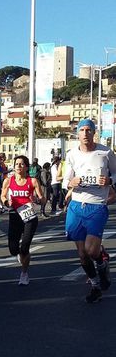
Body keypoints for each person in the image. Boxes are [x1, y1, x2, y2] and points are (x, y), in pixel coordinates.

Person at [62, 118, 116, 303]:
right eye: (82, 130)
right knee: (82, 254)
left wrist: (110, 181)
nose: (85, 133)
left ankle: (102, 262)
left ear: (94, 132)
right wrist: (71, 182)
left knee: (92, 251)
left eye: (89, 130)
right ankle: (95, 285)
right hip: (76, 206)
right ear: (77, 134)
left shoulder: (106, 152)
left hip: (97, 206)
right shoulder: (71, 155)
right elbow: (64, 180)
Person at [1, 154, 44, 286]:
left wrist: (36, 200)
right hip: (14, 215)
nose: (18, 166)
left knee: (25, 247)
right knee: (13, 249)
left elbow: (42, 199)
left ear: (26, 167)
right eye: (16, 164)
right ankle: (21, 255)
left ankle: (24, 273)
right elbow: (2, 196)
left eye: (21, 164)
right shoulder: (8, 180)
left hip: (29, 216)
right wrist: (6, 202)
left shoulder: (33, 181)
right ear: (13, 167)